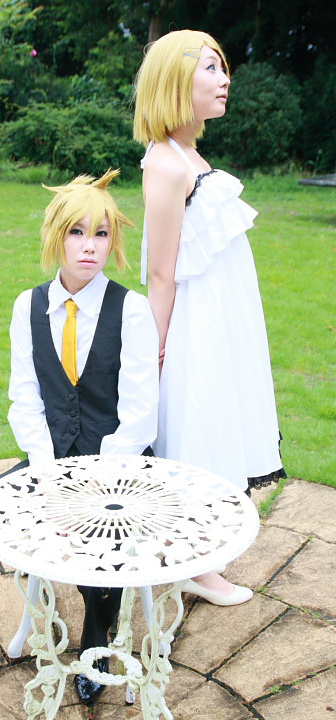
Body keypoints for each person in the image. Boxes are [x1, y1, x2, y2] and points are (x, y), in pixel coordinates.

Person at [0, 169, 159, 705]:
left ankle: (96, 648)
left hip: (115, 465)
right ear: (55, 237)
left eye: (101, 234)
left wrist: (94, 479)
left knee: (102, 531)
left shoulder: (131, 310)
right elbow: (25, 398)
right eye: (76, 232)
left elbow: (139, 415)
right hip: (48, 459)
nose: (89, 246)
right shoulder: (29, 306)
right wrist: (46, 471)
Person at [133, 30, 286, 606]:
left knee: (221, 419)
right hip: (196, 323)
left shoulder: (190, 155)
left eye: (223, 68)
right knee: (198, 426)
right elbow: (162, 272)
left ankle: (202, 553)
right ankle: (194, 561)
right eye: (211, 68)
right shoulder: (165, 165)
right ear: (176, 80)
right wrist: (155, 348)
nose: (225, 80)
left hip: (224, 315)